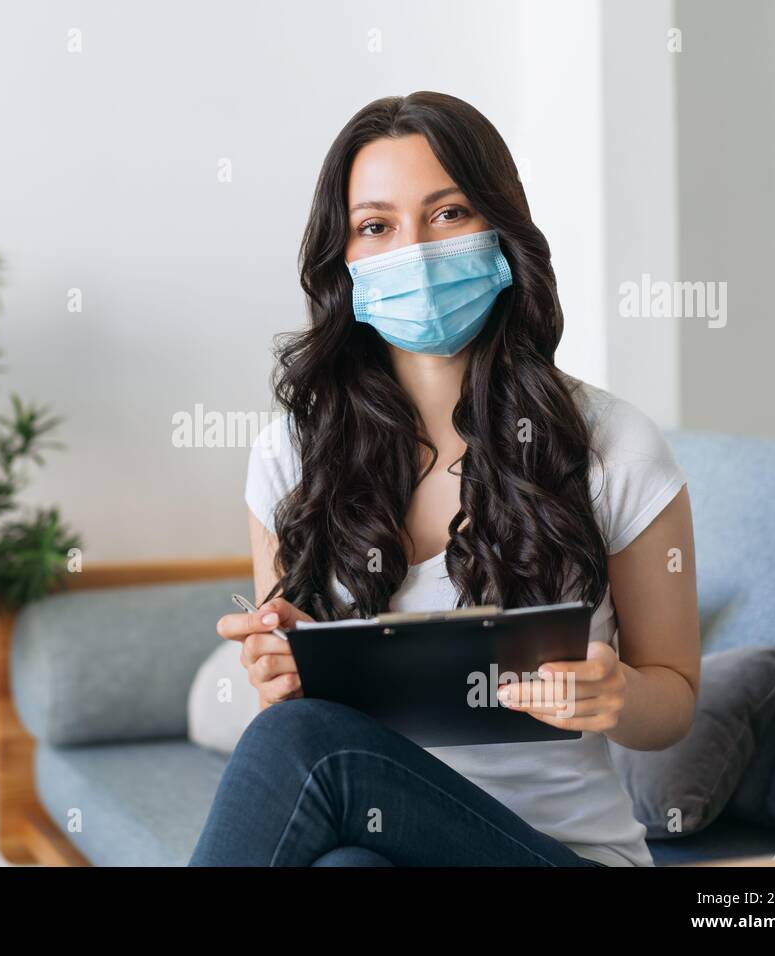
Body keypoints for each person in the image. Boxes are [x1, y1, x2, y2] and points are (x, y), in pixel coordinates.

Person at [188, 91, 700, 867]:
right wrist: (276, 670)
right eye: (376, 226)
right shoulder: (289, 457)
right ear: (345, 260)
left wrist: (617, 694)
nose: (416, 251)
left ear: (501, 229)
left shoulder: (614, 445)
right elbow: (292, 697)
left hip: (563, 854)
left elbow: (675, 699)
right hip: (382, 840)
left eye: (449, 213)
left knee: (302, 745)